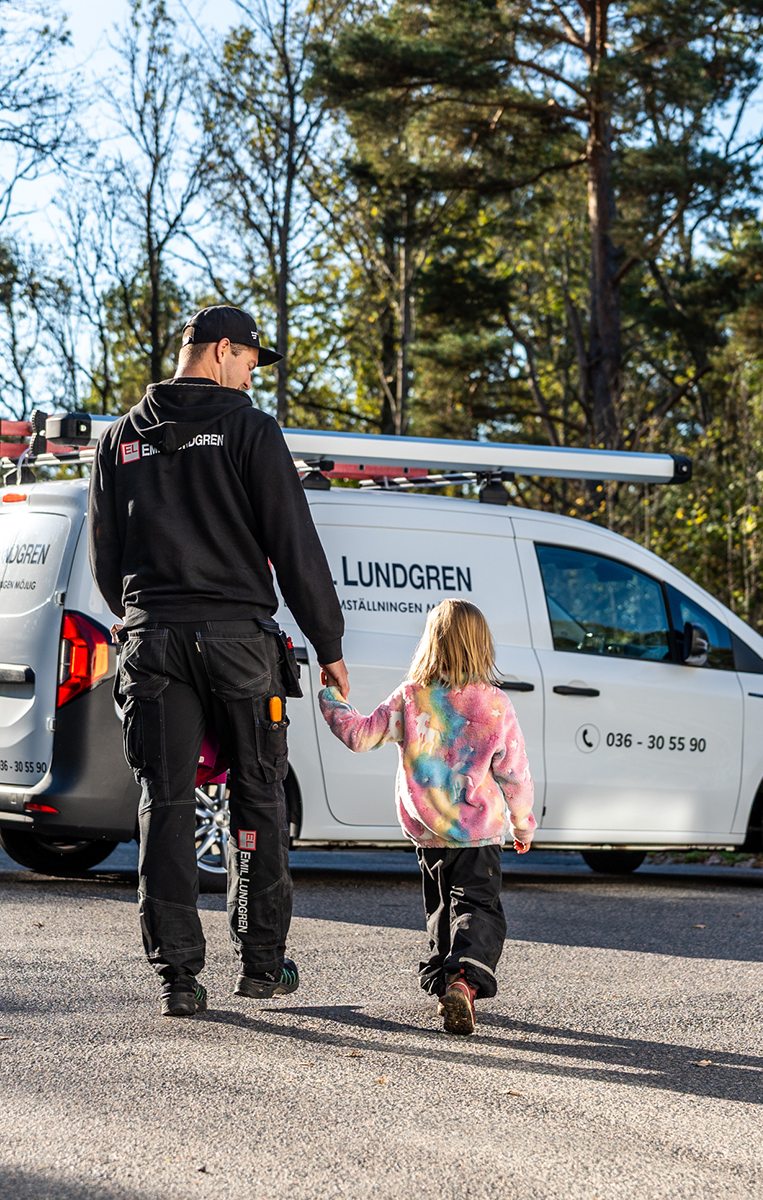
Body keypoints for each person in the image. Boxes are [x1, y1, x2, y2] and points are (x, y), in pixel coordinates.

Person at [88, 304, 348, 1017]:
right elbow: (294, 543)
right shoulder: (249, 429)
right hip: (239, 642)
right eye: (250, 363)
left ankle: (178, 976)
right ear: (221, 351)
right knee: (257, 795)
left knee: (164, 804)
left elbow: (107, 563)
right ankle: (262, 966)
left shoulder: (117, 441)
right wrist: (329, 644)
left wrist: (146, 614)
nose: (252, 378)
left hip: (153, 644)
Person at [318, 599, 534, 1035]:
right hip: (477, 833)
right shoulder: (494, 704)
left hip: (428, 833)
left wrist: (330, 697)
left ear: (431, 643)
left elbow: (360, 736)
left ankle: (446, 983)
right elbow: (513, 773)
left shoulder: (411, 697)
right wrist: (522, 823)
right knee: (478, 907)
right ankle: (463, 982)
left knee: (439, 909)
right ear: (482, 646)